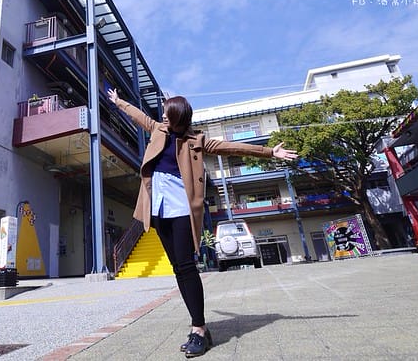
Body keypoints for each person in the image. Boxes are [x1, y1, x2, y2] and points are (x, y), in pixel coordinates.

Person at [108, 88, 298, 358]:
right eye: (162, 113)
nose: (162, 116)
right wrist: (118, 102)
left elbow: (230, 147)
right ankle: (200, 327)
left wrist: (269, 152)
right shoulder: (158, 130)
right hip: (158, 207)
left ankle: (198, 328)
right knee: (177, 268)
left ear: (179, 119)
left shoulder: (196, 140)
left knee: (186, 266)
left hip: (182, 207)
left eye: (167, 114)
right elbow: (138, 116)